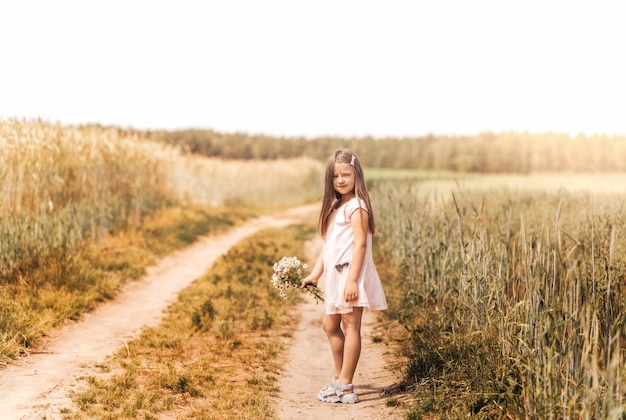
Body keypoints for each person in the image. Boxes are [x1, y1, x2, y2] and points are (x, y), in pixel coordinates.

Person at [301, 148, 388, 404]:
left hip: (351, 274)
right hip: (335, 277)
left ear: (356, 176)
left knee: (351, 326)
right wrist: (316, 275)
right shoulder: (336, 205)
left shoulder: (357, 206)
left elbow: (360, 245)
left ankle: (346, 386)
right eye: (336, 176)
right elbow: (329, 249)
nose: (341, 180)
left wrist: (352, 280)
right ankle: (339, 378)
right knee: (329, 325)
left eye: (346, 175)